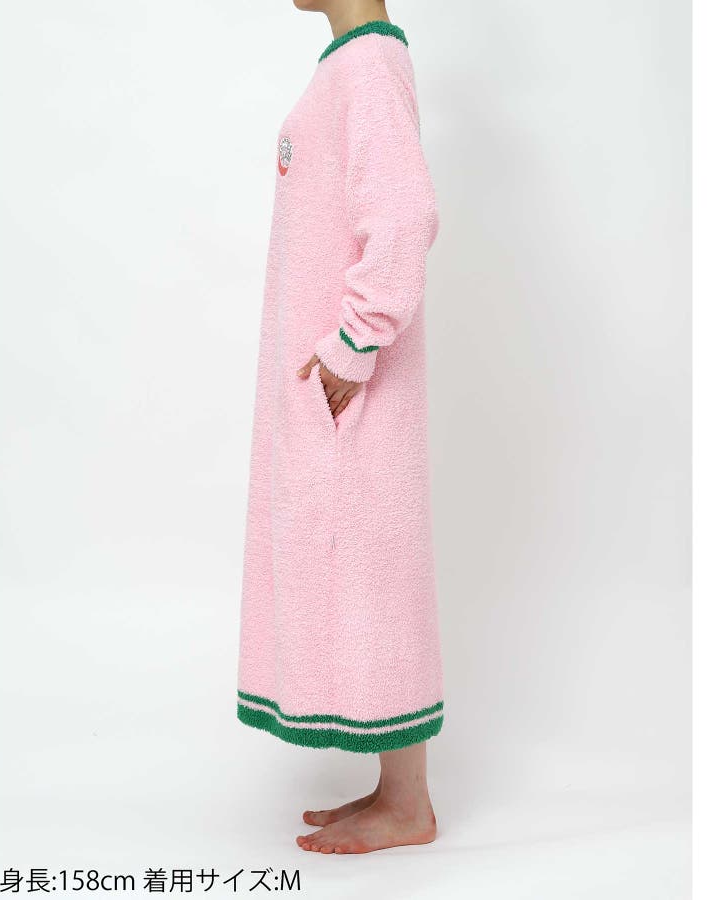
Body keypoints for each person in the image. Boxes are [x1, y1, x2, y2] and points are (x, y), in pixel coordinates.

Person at [237, 0, 444, 855]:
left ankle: (407, 807)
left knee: (373, 580)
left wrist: (351, 347)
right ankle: (399, 794)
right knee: (366, 578)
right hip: (338, 393)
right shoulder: (355, 64)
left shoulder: (365, 67)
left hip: (354, 390)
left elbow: (404, 216)